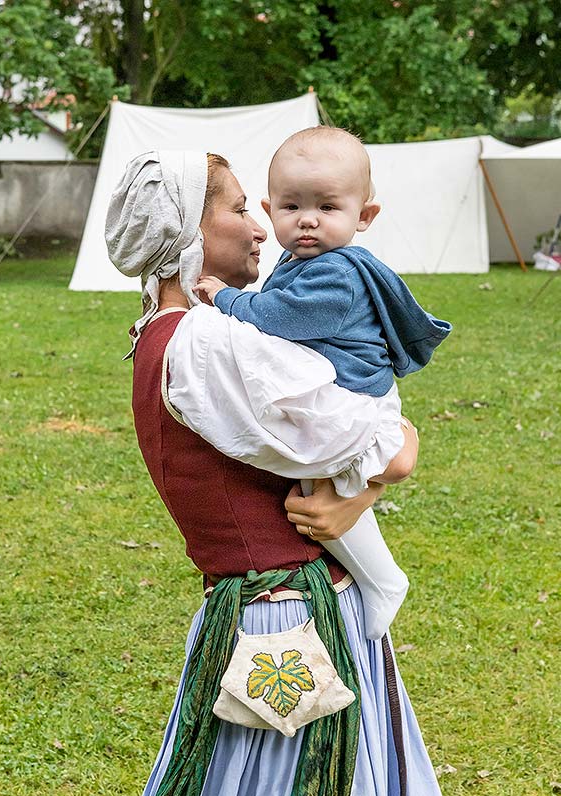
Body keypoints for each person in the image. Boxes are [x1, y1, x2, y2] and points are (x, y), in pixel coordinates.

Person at [98, 149, 469, 796]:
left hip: (256, 613)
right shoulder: (208, 341)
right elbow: (384, 449)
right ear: (186, 233)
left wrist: (355, 497)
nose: (261, 226)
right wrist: (376, 477)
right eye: (238, 208)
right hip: (287, 622)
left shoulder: (159, 335)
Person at [193, 127, 452, 640]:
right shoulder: (306, 260)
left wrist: (225, 298)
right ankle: (376, 577)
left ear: (365, 216)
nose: (307, 219)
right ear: (272, 210)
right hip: (347, 393)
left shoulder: (335, 273)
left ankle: (382, 580)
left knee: (321, 484)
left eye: (327, 207)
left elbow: (280, 316)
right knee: (323, 488)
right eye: (291, 206)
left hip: (355, 398)